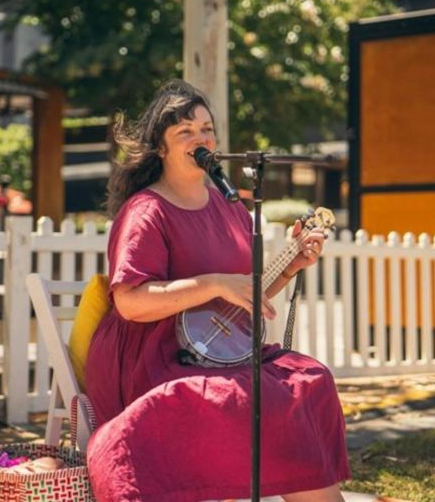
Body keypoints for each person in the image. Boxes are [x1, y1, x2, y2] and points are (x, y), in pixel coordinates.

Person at [85, 79, 350, 502]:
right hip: (155, 356)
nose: (201, 138)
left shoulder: (228, 205)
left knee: (307, 382)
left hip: (221, 351)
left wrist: (291, 265)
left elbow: (244, 292)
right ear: (161, 148)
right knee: (253, 399)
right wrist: (211, 284)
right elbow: (131, 303)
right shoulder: (146, 211)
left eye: (207, 129)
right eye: (185, 132)